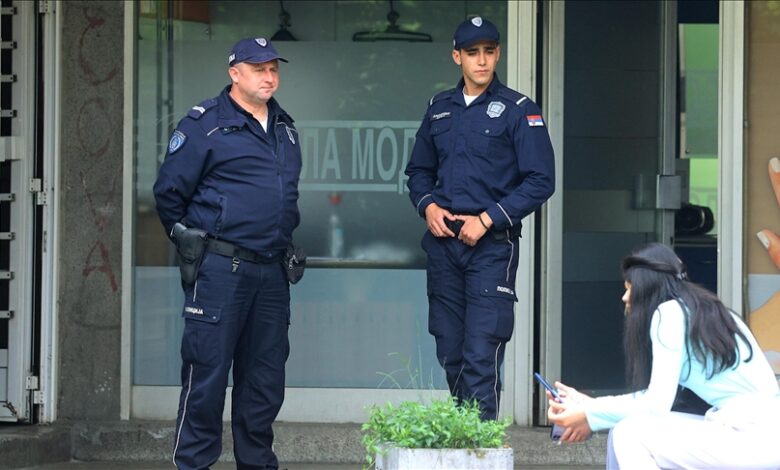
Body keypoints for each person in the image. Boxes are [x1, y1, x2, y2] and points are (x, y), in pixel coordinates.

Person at [153, 37, 302, 470]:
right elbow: (169, 195)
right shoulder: (204, 125)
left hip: (272, 273)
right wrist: (193, 248)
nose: (269, 76)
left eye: (274, 68)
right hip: (220, 269)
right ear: (234, 73)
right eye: (259, 69)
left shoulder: (285, 128)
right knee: (207, 378)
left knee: (264, 383)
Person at [405, 16, 555, 420]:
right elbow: (417, 171)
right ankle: (463, 435)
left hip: (491, 247)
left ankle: (480, 450)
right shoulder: (439, 107)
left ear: (498, 53)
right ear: (457, 57)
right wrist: (428, 207)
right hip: (443, 245)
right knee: (450, 350)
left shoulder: (518, 109)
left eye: (489, 51)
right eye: (473, 53)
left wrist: (488, 219)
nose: (482, 61)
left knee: (481, 353)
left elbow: (542, 179)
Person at [546, 243, 780, 469]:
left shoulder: (670, 314)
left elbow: (655, 405)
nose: (624, 297)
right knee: (627, 427)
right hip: (760, 434)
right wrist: (590, 406)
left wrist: (589, 413)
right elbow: (655, 401)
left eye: (629, 287)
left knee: (631, 433)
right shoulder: (710, 311)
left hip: (753, 437)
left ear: (647, 286)